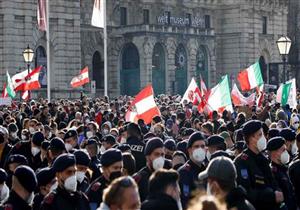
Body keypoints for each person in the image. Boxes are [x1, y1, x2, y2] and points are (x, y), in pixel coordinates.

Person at [234, 120, 285, 210]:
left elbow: (272, 180)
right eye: (260, 135)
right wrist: (271, 195)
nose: (264, 138)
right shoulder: (242, 162)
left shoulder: (263, 158)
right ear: (251, 138)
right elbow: (247, 190)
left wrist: (278, 190)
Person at [267, 137, 297, 210]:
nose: (286, 153)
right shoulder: (272, 172)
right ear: (274, 153)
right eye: (283, 150)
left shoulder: (284, 168)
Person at [178, 131, 206, 209]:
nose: (200, 149)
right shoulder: (184, 172)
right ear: (189, 150)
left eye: (203, 146)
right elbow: (185, 201)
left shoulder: (207, 169)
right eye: (196, 146)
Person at [133, 137, 165, 202]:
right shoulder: (139, 178)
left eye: (162, 155)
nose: (160, 158)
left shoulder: (166, 177)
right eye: (156, 154)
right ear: (147, 157)